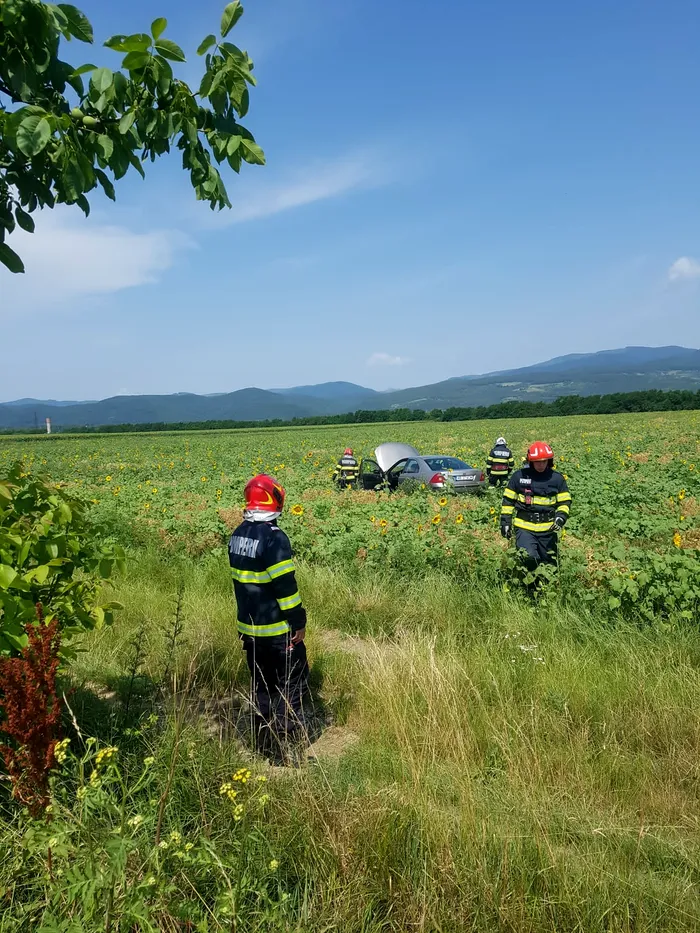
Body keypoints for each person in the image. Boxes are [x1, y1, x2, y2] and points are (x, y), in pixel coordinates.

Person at [228, 474, 309, 763]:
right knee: (293, 682)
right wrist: (298, 623)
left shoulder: (237, 535)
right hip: (278, 630)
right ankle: (287, 745)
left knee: (261, 684)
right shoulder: (274, 538)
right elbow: (285, 588)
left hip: (248, 628)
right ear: (275, 499)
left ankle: (262, 744)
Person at [500, 441, 571, 573]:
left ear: (549, 461)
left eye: (544, 461)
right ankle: (529, 588)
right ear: (530, 461)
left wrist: (560, 517)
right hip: (525, 527)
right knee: (529, 557)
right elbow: (508, 502)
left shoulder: (557, 479)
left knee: (549, 563)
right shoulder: (519, 477)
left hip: (548, 529)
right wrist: (505, 522)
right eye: (537, 461)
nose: (541, 464)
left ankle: (545, 589)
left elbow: (565, 502)